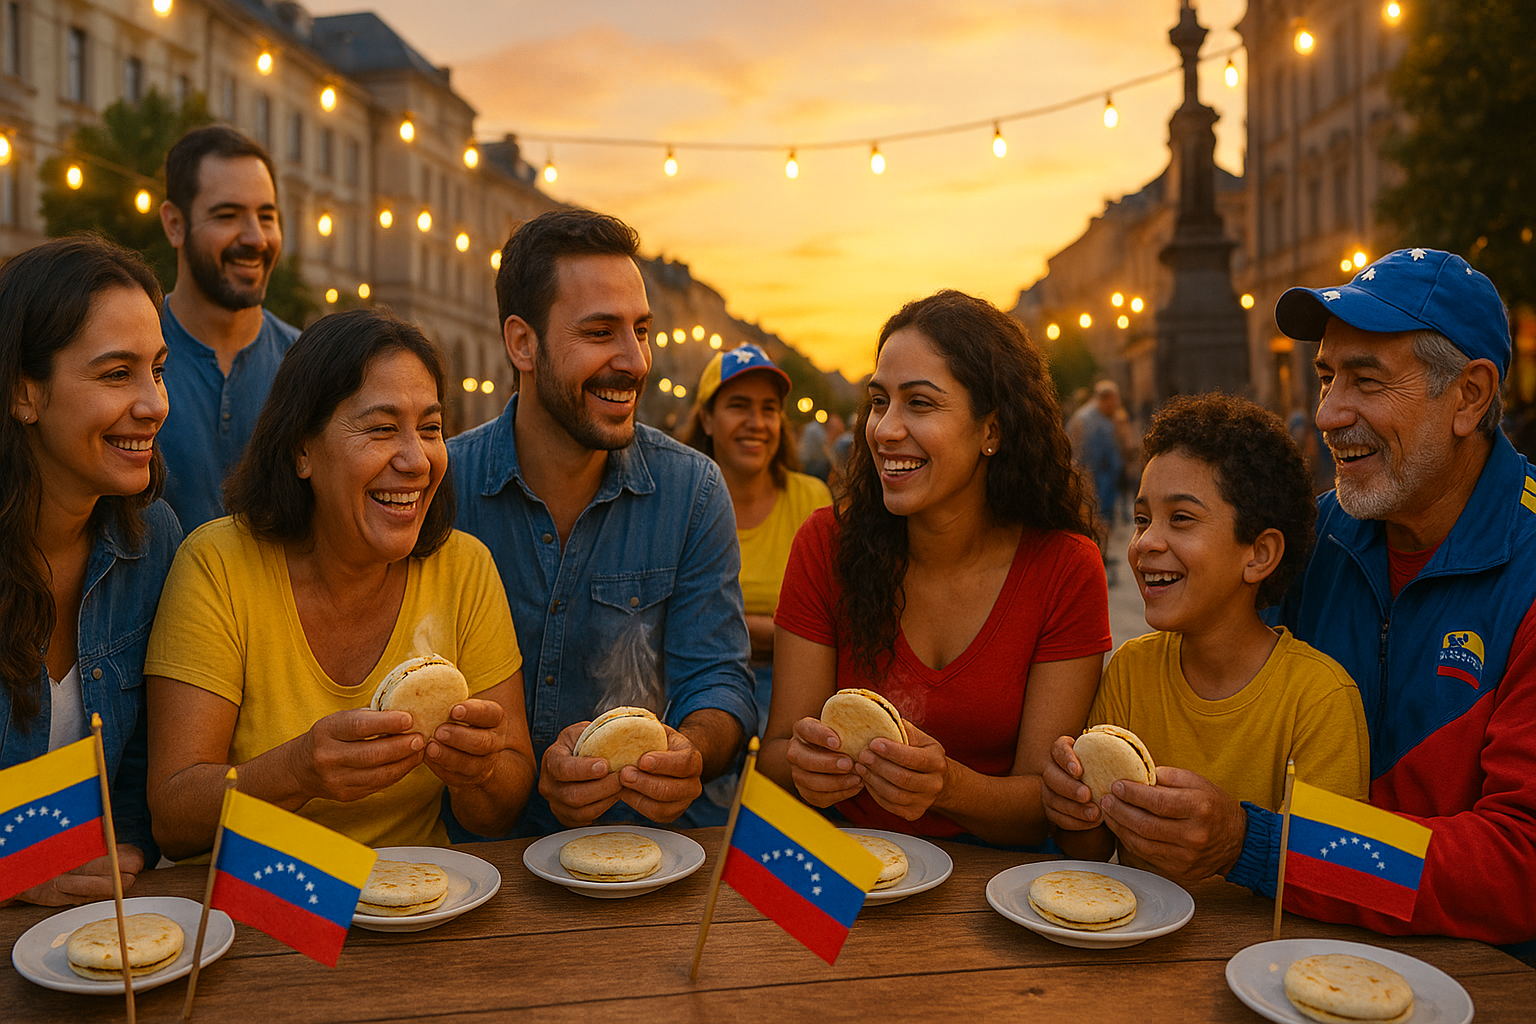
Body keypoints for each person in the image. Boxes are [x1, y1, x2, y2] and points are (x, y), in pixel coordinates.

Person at [1104, 248, 1536, 950]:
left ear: (1470, 395)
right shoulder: (1317, 535)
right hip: (1299, 953)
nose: (1328, 415)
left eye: (1367, 381)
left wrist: (1262, 845)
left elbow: (1520, 866)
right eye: (1327, 377)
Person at [145, 309, 535, 856]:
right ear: (303, 449)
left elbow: (500, 810)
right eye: (380, 429)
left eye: (430, 429)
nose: (416, 459)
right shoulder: (218, 565)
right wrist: (297, 772)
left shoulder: (464, 568)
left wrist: (479, 769)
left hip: (418, 908)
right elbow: (174, 819)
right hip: (258, 912)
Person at [760, 290, 1110, 847]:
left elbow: (1043, 806)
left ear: (992, 430)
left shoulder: (1065, 566)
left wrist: (947, 787)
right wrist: (805, 767)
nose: (885, 430)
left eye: (919, 404)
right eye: (879, 401)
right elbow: (774, 754)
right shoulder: (825, 542)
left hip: (991, 890)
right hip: (836, 869)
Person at [448, 210, 755, 836]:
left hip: (645, 852)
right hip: (477, 865)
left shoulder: (692, 491)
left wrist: (689, 750)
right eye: (600, 332)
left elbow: (720, 681)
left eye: (641, 331)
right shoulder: (442, 488)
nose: (636, 361)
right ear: (522, 343)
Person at [1042, 394, 1368, 866]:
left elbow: (1338, 872)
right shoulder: (1132, 671)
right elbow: (1093, 851)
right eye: (1141, 519)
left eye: (1181, 518)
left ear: (1258, 554)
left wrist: (1236, 840)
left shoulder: (1319, 699)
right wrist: (1071, 810)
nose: (1146, 542)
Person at [0, 235, 182, 903]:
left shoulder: (153, 539)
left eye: (157, 370)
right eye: (116, 374)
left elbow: (142, 775)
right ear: (25, 392)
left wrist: (128, 845)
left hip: (92, 931)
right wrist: (14, 869)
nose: (154, 404)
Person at [678, 344, 832, 732]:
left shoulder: (812, 499)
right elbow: (670, 625)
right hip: (695, 694)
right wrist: (789, 634)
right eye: (739, 406)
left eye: (769, 409)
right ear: (708, 420)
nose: (757, 422)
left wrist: (724, 627)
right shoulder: (679, 503)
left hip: (795, 695)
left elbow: (837, 626)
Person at [157, 125, 300, 530]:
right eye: (227, 215)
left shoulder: (308, 367)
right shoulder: (127, 360)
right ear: (174, 224)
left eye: (267, 216)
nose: (255, 238)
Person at [1068, 380, 1126, 571]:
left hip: (1096, 481)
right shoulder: (1091, 420)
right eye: (1113, 402)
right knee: (1098, 520)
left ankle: (1101, 557)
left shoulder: (1093, 416)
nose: (1115, 406)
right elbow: (1092, 458)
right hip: (1095, 481)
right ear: (1106, 399)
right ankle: (1097, 559)